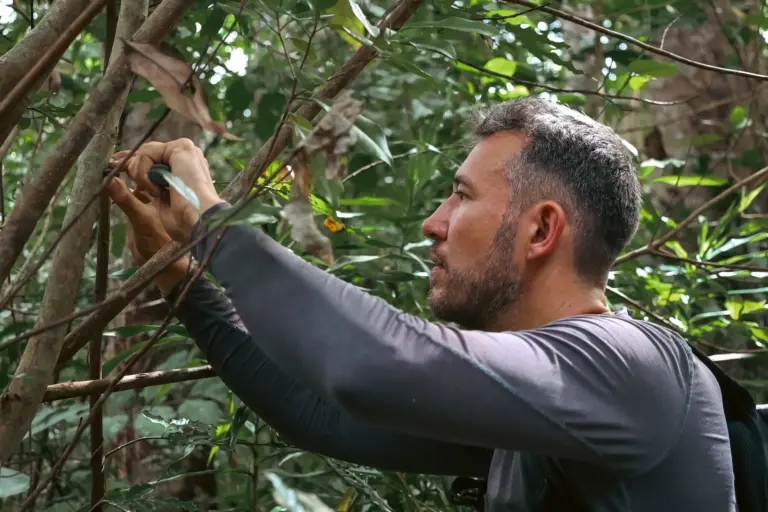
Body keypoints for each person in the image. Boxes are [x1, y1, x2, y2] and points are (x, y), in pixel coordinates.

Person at [106, 97, 735, 511]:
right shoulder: (544, 411)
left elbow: (372, 366)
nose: (434, 223)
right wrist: (183, 277)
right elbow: (316, 412)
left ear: (541, 231)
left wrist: (216, 223)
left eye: (461, 196)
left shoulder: (628, 366)